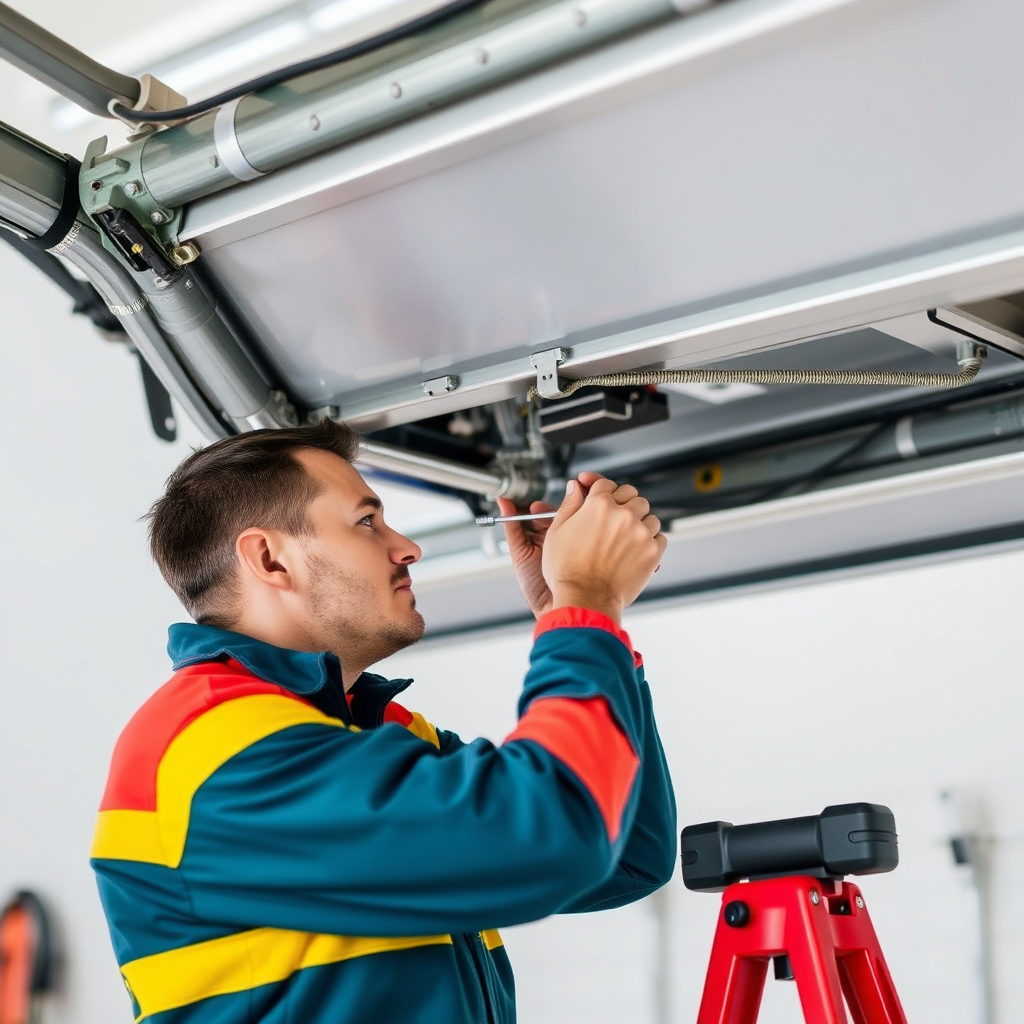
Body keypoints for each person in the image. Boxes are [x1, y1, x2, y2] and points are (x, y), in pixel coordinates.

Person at [91, 419, 676, 1024]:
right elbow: (559, 835)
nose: (407, 547)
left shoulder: (372, 735)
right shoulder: (215, 749)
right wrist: (585, 603)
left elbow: (629, 853)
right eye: (367, 521)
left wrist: (579, 618)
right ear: (270, 558)